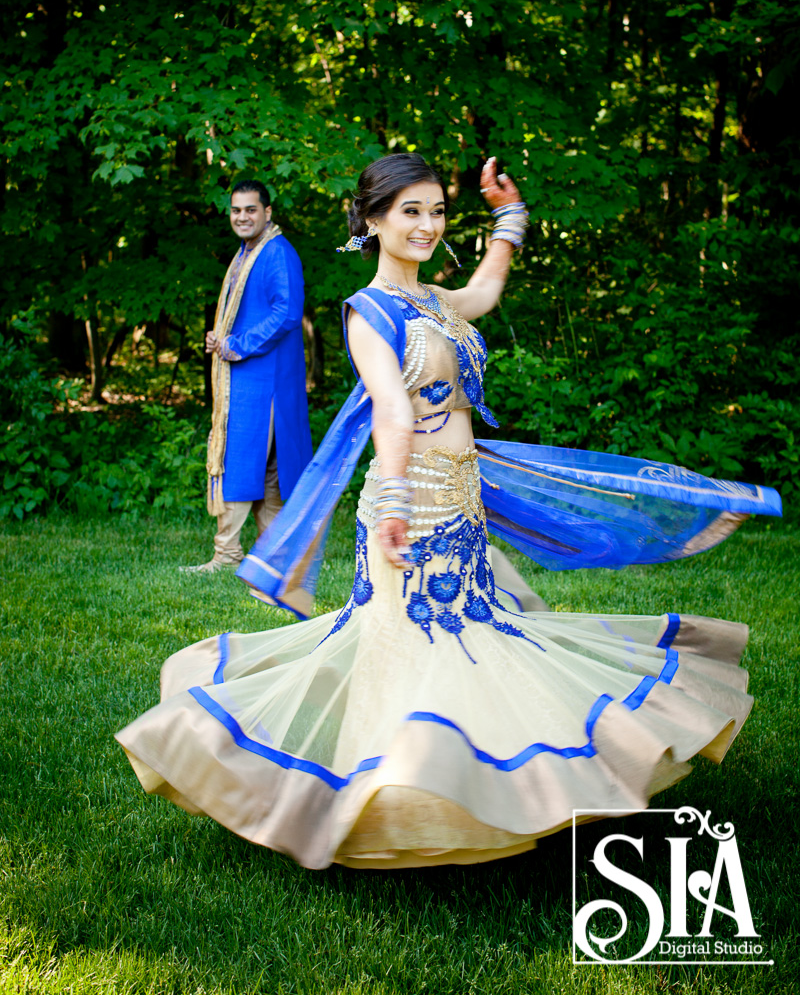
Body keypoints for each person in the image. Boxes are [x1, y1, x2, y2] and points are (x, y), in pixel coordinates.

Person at [119, 154, 780, 870]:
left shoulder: (433, 300)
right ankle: (383, 799)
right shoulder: (367, 313)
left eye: (437, 211)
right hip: (412, 503)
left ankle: (481, 784)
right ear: (371, 221)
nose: (428, 225)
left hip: (460, 498)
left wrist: (510, 218)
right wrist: (397, 504)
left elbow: (486, 292)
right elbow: (393, 413)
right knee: (411, 649)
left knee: (470, 638)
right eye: (411, 212)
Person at [183, 180, 313, 573]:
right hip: (250, 378)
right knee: (266, 466)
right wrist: (221, 336)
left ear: (267, 212)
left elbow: (288, 312)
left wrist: (238, 344)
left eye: (250, 209)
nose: (242, 217)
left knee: (243, 460)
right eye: (236, 210)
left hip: (264, 381)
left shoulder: (276, 252)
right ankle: (271, 555)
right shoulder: (248, 252)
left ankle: (229, 554)